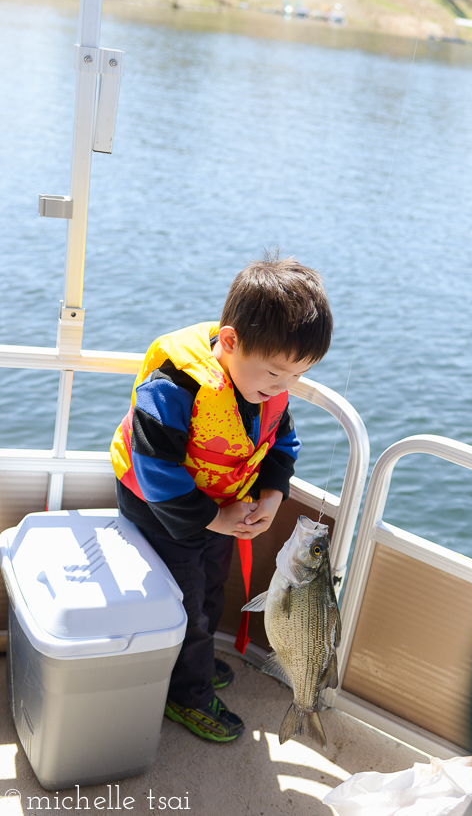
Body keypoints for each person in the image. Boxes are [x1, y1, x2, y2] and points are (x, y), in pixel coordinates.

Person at [110, 254, 333, 743]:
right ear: (230, 342)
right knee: (187, 601)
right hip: (163, 512)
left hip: (222, 511)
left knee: (211, 588)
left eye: (296, 376)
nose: (284, 387)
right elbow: (156, 472)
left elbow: (280, 442)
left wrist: (273, 495)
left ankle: (196, 663)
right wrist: (214, 518)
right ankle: (185, 694)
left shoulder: (265, 383)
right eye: (276, 375)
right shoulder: (175, 386)